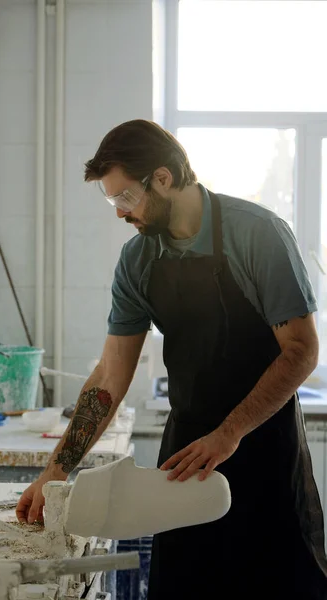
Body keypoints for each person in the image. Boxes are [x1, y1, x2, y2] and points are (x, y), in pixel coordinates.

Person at [17, 119, 327, 599]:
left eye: (124, 198)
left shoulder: (259, 234)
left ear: (163, 178)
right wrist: (56, 472)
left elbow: (302, 351)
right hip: (184, 461)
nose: (120, 214)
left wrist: (229, 434)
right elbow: (109, 378)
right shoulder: (138, 261)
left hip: (264, 449)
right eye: (111, 201)